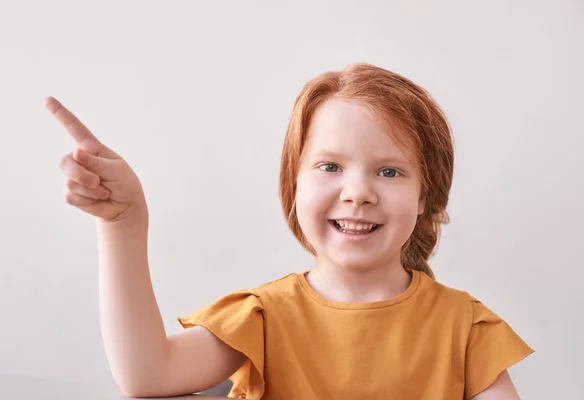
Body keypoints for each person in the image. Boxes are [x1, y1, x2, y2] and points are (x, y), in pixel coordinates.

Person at [49, 62, 534, 400]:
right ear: (293, 186)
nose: (357, 192)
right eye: (330, 166)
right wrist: (123, 223)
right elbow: (145, 374)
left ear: (425, 196)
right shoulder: (262, 317)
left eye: (390, 172)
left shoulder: (467, 327)